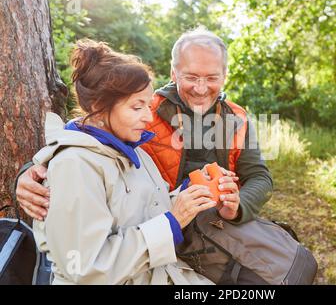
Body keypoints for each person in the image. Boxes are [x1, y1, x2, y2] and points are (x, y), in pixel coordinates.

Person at [16, 27, 272, 227]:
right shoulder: (145, 109)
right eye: (191, 77)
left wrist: (237, 206)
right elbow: (84, 132)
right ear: (173, 73)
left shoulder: (237, 117)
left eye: (212, 78)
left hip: (220, 226)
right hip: (157, 229)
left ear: (225, 75)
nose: (201, 88)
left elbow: (259, 177)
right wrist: (28, 172)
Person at [31, 39, 227, 284]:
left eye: (148, 105)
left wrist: (190, 193)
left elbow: (148, 211)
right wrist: (173, 222)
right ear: (99, 107)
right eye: (137, 107)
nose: (148, 117)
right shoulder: (75, 165)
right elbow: (86, 268)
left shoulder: (134, 151)